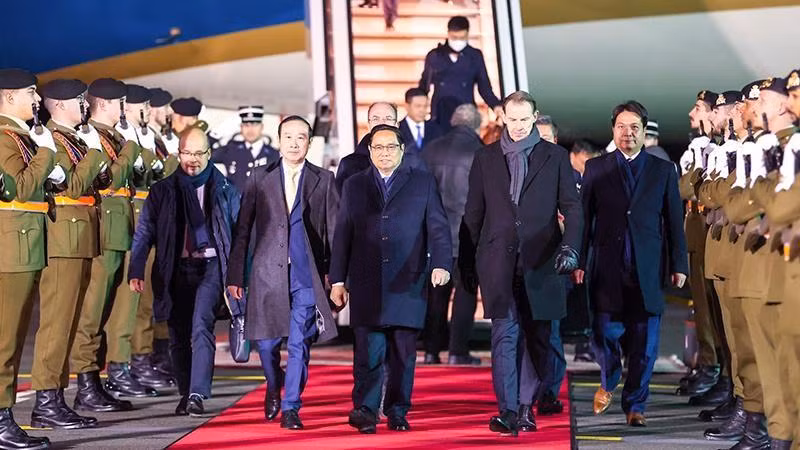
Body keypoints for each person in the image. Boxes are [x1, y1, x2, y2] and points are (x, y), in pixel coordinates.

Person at [460, 91, 582, 436]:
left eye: (524, 119)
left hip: (542, 261)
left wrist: (571, 248)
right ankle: (509, 410)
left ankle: (527, 404)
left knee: (537, 337)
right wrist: (466, 263)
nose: (517, 126)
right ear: (502, 117)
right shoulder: (485, 158)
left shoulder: (555, 156)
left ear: (535, 117)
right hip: (498, 261)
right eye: (512, 119)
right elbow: (473, 214)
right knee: (504, 335)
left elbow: (572, 207)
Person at [329, 124, 452, 434]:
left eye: (390, 147)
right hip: (366, 281)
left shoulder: (422, 182)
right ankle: (366, 410)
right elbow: (342, 234)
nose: (384, 153)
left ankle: (397, 410)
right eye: (378, 147)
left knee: (402, 354)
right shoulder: (355, 184)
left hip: (407, 281)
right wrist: (338, 280)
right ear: (370, 151)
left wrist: (441, 264)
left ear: (401, 150)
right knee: (367, 353)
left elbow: (438, 227)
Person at [575, 100, 688, 427]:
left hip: (647, 267)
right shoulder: (597, 168)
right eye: (622, 127)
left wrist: (679, 264)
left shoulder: (663, 171)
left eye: (635, 127)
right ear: (613, 130)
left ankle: (636, 405)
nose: (628, 133)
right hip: (607, 265)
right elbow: (583, 219)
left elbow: (674, 221)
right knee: (604, 333)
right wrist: (578, 259)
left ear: (644, 131)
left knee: (644, 342)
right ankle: (610, 376)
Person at [227, 115, 338, 429]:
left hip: (306, 274)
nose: (294, 143)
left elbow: (335, 230)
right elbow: (243, 229)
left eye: (300, 137)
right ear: (279, 141)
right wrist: (235, 275)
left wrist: (336, 277)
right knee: (266, 344)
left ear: (309, 142)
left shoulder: (324, 179)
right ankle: (273, 385)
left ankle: (291, 407)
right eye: (288, 137)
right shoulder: (259, 177)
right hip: (266, 274)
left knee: (299, 343)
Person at [128, 126, 240, 417]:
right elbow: (145, 232)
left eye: (199, 153)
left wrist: (239, 276)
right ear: (179, 154)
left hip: (212, 267)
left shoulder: (225, 189)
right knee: (177, 334)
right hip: (175, 268)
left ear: (209, 154)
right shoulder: (163, 190)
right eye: (187, 153)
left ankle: (197, 394)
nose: (193, 159)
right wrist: (136, 269)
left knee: (201, 325)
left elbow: (241, 236)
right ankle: (185, 391)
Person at [33, 79, 111, 430]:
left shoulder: (73, 139)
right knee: (57, 324)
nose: (86, 107)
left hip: (79, 239)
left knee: (70, 322)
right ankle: (46, 400)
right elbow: (74, 186)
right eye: (80, 101)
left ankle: (56, 397)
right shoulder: (53, 139)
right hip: (63, 241)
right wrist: (95, 154)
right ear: (62, 105)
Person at [71, 78, 150, 405]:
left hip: (120, 230)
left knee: (108, 309)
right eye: (120, 103)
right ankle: (86, 382)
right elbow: (111, 180)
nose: (125, 109)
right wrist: (131, 147)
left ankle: (99, 378)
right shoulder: (92, 136)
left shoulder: (112, 137)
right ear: (105, 104)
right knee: (92, 311)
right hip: (104, 232)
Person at [0, 67, 62, 449]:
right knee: (5, 340)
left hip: (23, 248)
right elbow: (19, 188)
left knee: (12, 338)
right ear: (8, 98)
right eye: (30, 93)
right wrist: (46, 153)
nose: (37, 100)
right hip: (12, 250)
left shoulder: (18, 136)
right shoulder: (4, 138)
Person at [420, 104, 483, 366]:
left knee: (436, 294)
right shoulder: (480, 152)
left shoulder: (430, 149)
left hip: (435, 234)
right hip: (467, 234)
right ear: (476, 125)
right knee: (465, 293)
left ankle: (431, 350)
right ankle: (457, 351)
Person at [419, 16, 502, 132]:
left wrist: (496, 106)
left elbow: (485, 88)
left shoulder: (475, 56)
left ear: (467, 34)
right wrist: (418, 107)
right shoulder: (435, 56)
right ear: (448, 33)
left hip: (466, 114)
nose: (458, 41)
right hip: (440, 115)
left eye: (462, 38)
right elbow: (424, 86)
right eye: (454, 37)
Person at [211, 105, 280, 192]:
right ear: (241, 128)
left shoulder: (274, 155)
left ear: (262, 127)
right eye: (246, 125)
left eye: (255, 125)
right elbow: (203, 155)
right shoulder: (231, 150)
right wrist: (215, 134)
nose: (250, 130)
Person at [398, 88, 441, 155]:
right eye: (418, 106)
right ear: (407, 106)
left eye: (425, 106)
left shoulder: (436, 129)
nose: (422, 110)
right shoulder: (397, 130)